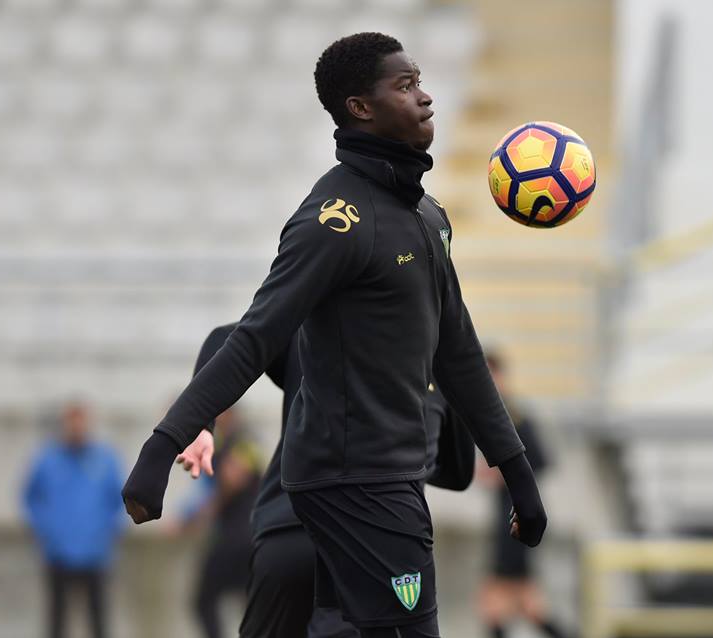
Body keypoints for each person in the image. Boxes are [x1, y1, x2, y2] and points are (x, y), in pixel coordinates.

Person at [122, 32, 547, 638]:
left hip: (381, 486)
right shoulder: (334, 221)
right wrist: (162, 448)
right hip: (355, 487)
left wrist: (518, 473)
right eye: (405, 85)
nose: (425, 97)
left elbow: (459, 351)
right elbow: (250, 337)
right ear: (360, 108)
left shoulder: (427, 217)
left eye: (421, 82)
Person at [176, 322, 476, 638]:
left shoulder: (314, 325)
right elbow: (459, 472)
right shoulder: (437, 355)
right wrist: (411, 466)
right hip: (372, 541)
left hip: (285, 534)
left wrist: (200, 423)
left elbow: (225, 339)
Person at [476, 353, 569, 638]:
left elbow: (540, 460)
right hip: (508, 517)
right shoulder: (497, 414)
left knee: (497, 604)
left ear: (501, 377)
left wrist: (502, 476)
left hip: (516, 519)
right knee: (526, 605)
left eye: (490, 375)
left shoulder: (515, 416)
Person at [22, 401, 125, 638]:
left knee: (98, 618)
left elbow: (119, 500)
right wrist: (46, 529)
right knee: (57, 618)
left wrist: (107, 532)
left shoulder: (104, 460)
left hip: (95, 552)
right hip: (58, 552)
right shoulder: (47, 459)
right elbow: (30, 497)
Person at [170, 404, 261, 638]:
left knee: (205, 599)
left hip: (238, 537)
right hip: (246, 536)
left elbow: (232, 479)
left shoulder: (244, 441)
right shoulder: (226, 444)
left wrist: (197, 517)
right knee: (245, 601)